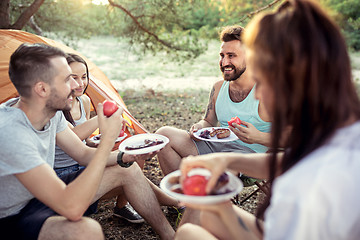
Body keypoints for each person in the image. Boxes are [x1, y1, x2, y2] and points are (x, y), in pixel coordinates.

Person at [174, 0, 360, 239]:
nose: (258, 93)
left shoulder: (301, 191)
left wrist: (219, 202)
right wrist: (223, 160)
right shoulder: (343, 132)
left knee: (189, 233)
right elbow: (291, 159)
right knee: (207, 215)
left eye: (261, 81)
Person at [0, 43, 177, 240]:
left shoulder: (50, 112)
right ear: (42, 89)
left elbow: (82, 154)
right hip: (12, 218)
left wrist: (127, 155)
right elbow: (71, 207)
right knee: (86, 230)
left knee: (128, 167)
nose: (77, 86)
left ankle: (171, 236)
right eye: (68, 79)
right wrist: (108, 138)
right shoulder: (11, 133)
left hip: (41, 196)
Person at [155, 25, 271, 183]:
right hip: (216, 148)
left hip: (250, 157)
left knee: (220, 169)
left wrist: (259, 137)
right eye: (222, 55)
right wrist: (200, 126)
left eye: (231, 56)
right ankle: (181, 203)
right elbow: (209, 121)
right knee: (164, 135)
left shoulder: (267, 92)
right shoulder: (218, 88)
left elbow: (295, 138)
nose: (224, 62)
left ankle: (204, 204)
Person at [54, 53, 144, 223]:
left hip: (82, 162)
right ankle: (175, 201)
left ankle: (121, 207)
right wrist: (102, 117)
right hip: (64, 171)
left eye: (84, 77)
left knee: (134, 153)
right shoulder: (55, 106)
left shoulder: (84, 101)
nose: (80, 83)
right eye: (74, 77)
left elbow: (84, 140)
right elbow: (73, 136)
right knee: (127, 168)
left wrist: (103, 140)